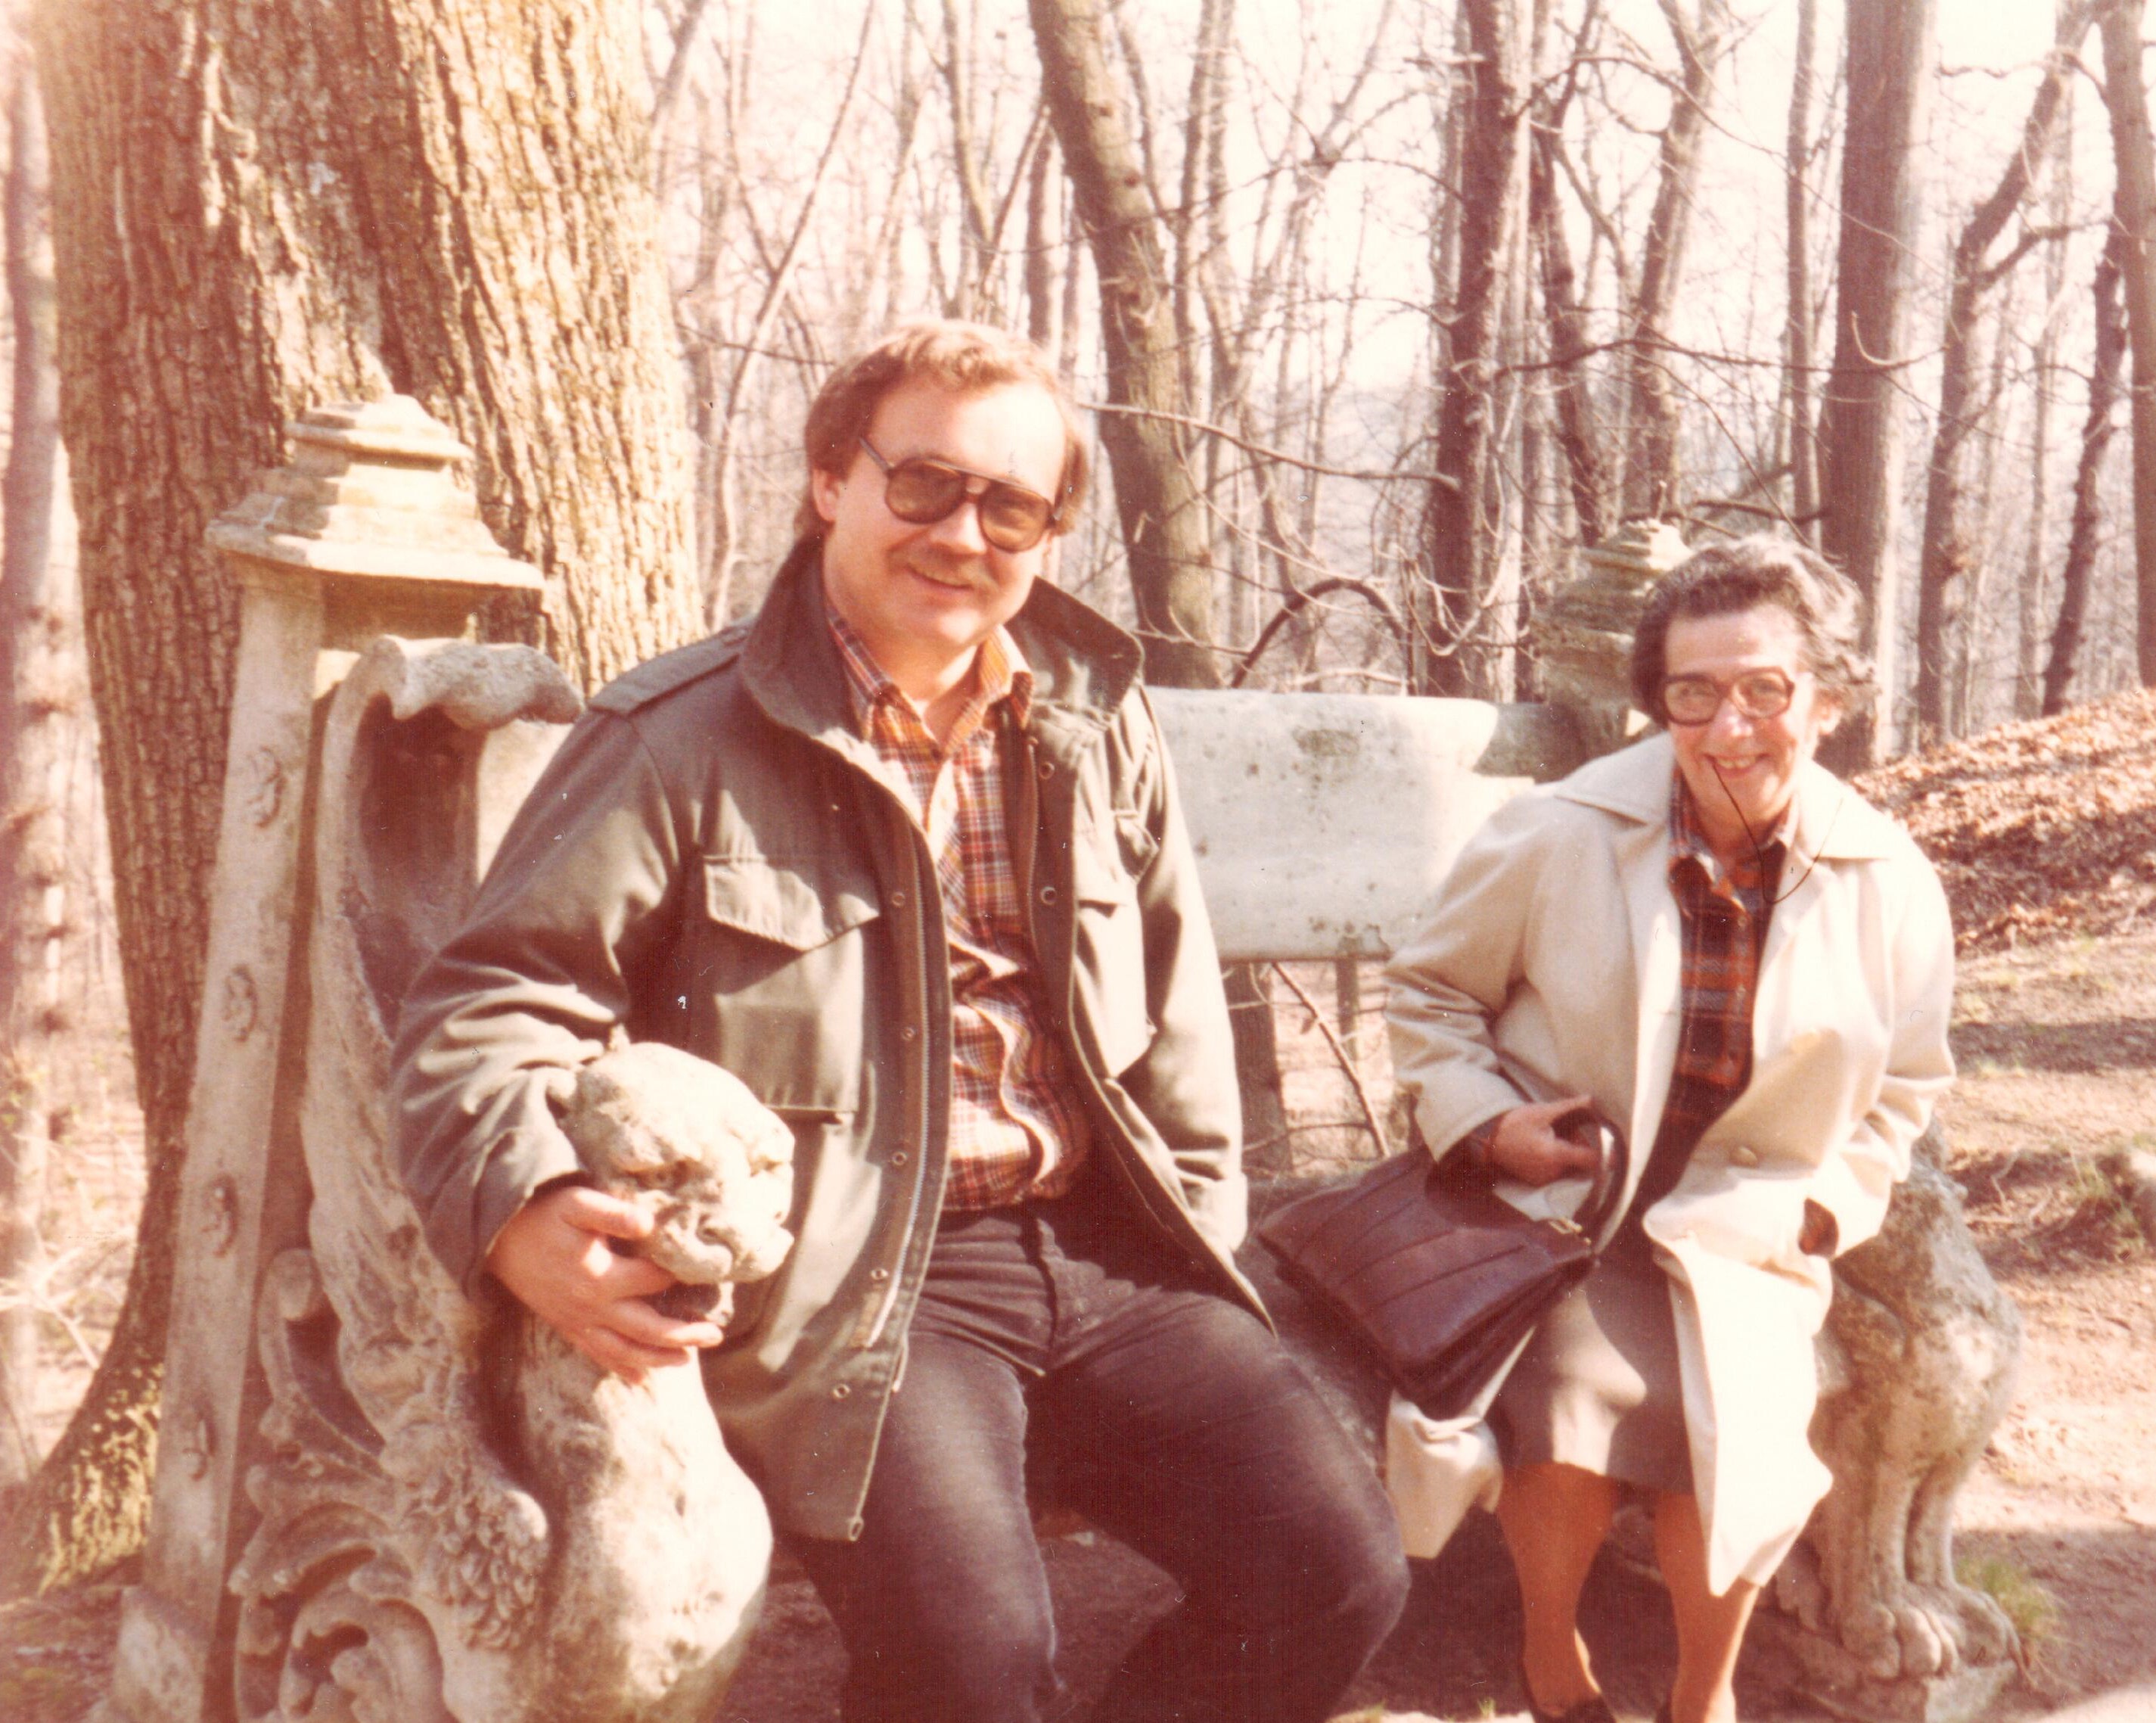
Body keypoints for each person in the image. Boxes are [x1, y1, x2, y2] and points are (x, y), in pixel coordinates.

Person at [393, 320, 1409, 1723]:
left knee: (1337, 1575)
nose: (963, 534)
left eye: (1012, 506)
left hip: (1109, 1245)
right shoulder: (679, 738)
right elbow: (490, 1003)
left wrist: (1201, 1221)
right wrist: (523, 1210)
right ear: (831, 481)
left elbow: (1174, 1001)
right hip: (866, 1276)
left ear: (1049, 534)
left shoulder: (1089, 723)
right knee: (972, 1668)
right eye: (923, 483)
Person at [1381, 536, 1956, 1723]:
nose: (1727, 727)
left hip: (1750, 1225)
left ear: (1828, 700)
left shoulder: (1887, 878)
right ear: (1658, 704)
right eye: (1691, 693)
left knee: (1734, 1427)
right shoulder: (1562, 830)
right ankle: (1553, 1662)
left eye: (1764, 689)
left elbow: (1905, 1084)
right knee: (1574, 1398)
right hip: (1567, 1214)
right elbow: (1428, 994)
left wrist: (1823, 1208)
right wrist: (1488, 1127)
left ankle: (1703, 1697)